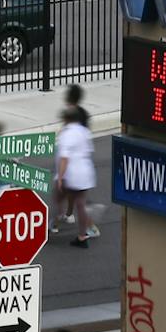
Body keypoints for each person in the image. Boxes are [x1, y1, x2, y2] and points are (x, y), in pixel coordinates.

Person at [55, 103, 99, 247]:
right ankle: (82, 235)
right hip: (86, 172)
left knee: (58, 196)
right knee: (80, 203)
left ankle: (54, 224)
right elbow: (89, 150)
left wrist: (60, 177)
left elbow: (64, 158)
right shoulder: (84, 131)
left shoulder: (66, 134)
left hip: (72, 174)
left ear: (66, 119)